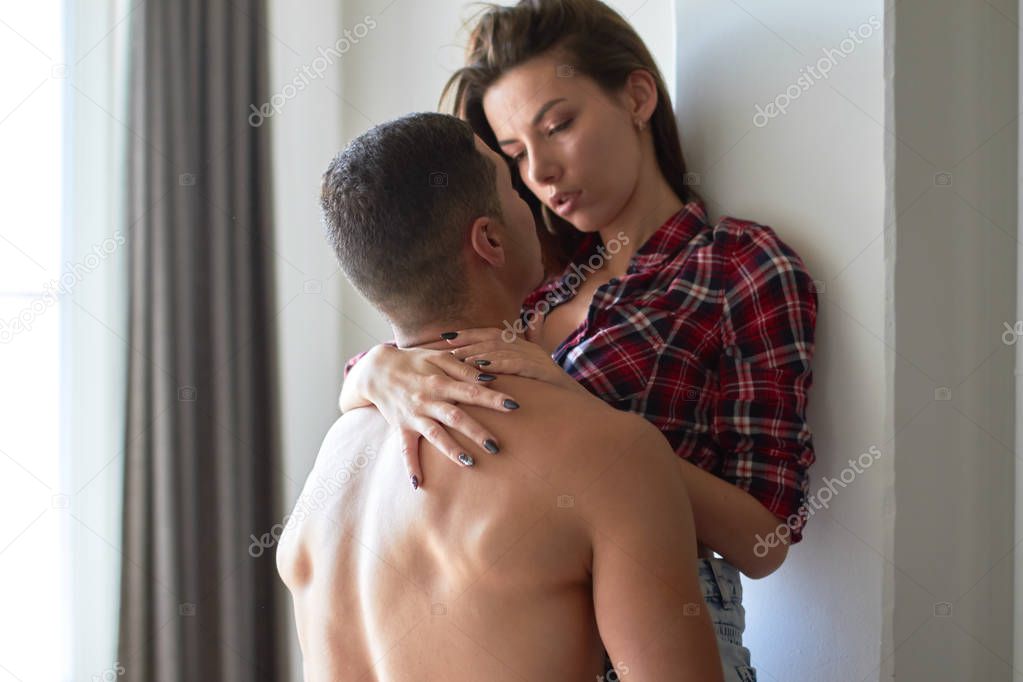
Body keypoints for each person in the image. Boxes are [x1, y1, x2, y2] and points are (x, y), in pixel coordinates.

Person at [338, 2, 819, 680]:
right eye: (514, 156)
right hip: (515, 629)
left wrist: (579, 418)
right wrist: (376, 372)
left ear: (636, 96)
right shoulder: (531, 282)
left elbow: (765, 539)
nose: (541, 172)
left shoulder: (736, 266)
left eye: (558, 125)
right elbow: (416, 348)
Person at [276, 112, 724, 681]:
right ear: (488, 240)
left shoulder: (330, 468)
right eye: (513, 186)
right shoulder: (611, 453)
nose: (532, 197)